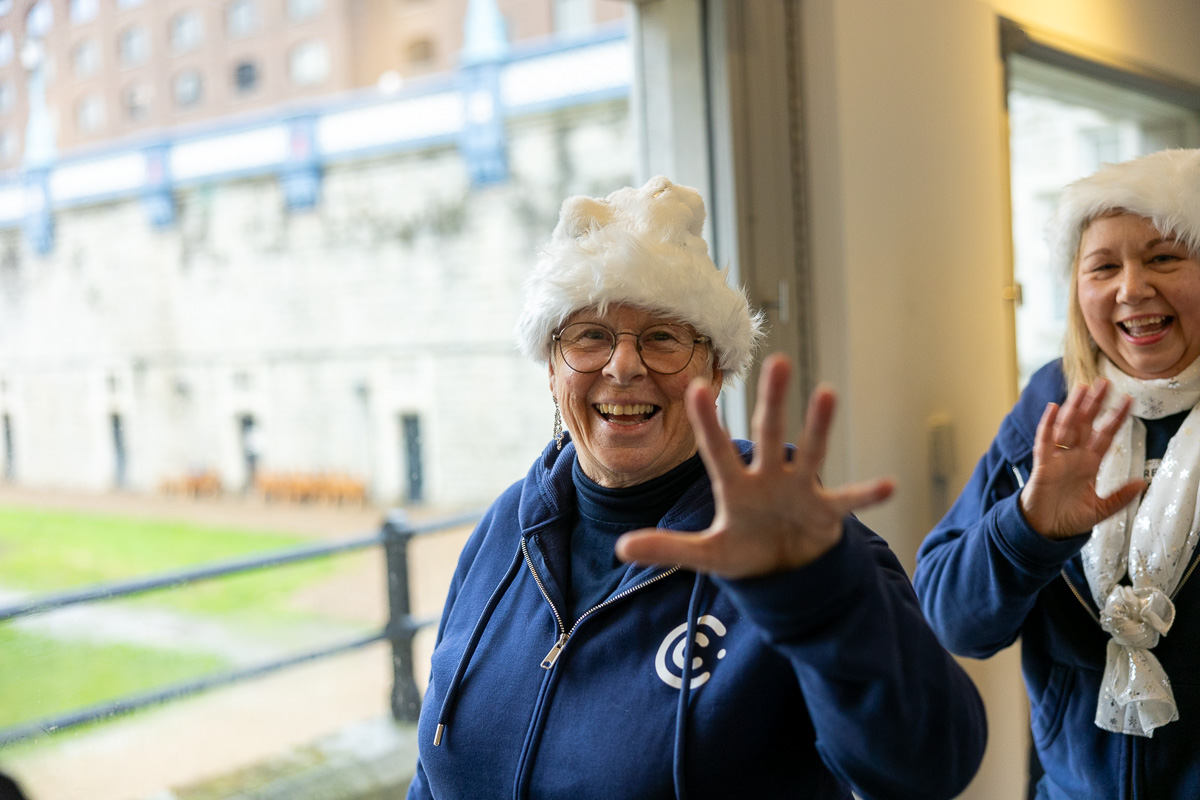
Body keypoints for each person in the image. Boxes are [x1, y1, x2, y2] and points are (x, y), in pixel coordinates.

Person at [408, 176, 986, 800]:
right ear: (552, 368)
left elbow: (929, 765)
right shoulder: (504, 531)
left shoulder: (798, 547)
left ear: (714, 369)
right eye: (590, 336)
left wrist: (816, 599)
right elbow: (432, 774)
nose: (623, 366)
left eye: (661, 337)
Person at [915, 148, 1200, 799]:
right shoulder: (1049, 411)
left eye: (1163, 257)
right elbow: (954, 625)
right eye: (1103, 267)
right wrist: (1027, 531)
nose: (1132, 289)